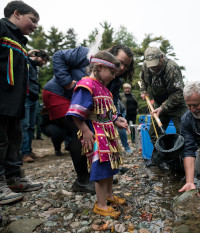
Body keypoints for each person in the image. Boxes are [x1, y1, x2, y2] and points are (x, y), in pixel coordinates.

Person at [42, 45, 134, 193]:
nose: (122, 67)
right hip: (58, 94)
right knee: (79, 131)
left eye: (127, 65)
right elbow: (58, 55)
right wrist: (67, 82)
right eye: (120, 61)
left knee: (93, 132)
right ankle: (83, 180)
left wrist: (116, 118)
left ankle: (99, 174)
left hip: (81, 105)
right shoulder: (86, 54)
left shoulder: (114, 80)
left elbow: (111, 103)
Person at [66, 51, 128, 218]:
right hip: (96, 134)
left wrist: (117, 120)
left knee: (109, 166)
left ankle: (108, 196)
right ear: (99, 67)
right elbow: (75, 112)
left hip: (108, 133)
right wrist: (85, 131)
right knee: (100, 168)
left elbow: (107, 112)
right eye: (112, 72)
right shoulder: (86, 85)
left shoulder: (104, 88)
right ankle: (100, 205)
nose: (114, 76)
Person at [0, 0, 43, 205]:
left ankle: (14, 178)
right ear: (16, 14)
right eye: (32, 20)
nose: (35, 26)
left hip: (16, 102)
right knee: (0, 141)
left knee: (14, 140)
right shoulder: (1, 28)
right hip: (1, 99)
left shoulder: (20, 41)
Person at [140, 47, 187, 163]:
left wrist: (163, 107)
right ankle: (165, 158)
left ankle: (182, 159)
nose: (153, 68)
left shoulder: (172, 68)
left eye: (155, 64)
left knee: (183, 133)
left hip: (177, 105)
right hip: (158, 103)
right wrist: (143, 91)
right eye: (150, 65)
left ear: (162, 57)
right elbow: (143, 80)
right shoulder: (146, 66)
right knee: (154, 132)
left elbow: (178, 93)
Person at [21, 49, 49, 163]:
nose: (44, 63)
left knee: (31, 126)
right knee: (25, 125)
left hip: (33, 99)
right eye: (44, 60)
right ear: (38, 56)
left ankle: (28, 150)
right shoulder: (26, 62)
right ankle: (24, 153)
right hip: (25, 97)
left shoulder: (35, 68)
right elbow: (21, 59)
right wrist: (29, 53)